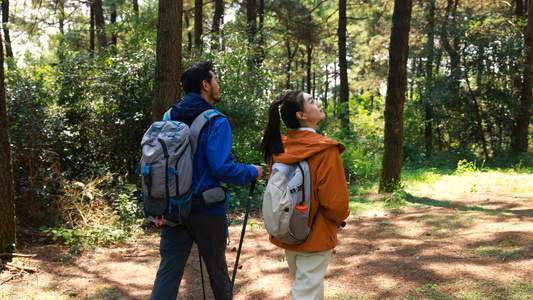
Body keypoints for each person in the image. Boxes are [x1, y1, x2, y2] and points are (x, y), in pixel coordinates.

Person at [150, 61, 263, 300]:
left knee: (168, 271)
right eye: (215, 80)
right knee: (217, 271)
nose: (218, 85)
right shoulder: (216, 121)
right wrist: (253, 171)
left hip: (172, 207)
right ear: (205, 85)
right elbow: (222, 169)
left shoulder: (168, 117)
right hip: (207, 210)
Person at [259, 90, 350, 300]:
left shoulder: (280, 147)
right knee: (305, 294)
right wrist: (338, 219)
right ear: (301, 114)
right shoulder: (326, 150)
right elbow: (335, 202)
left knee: (310, 289)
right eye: (311, 101)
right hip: (316, 234)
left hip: (287, 229)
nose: (318, 103)